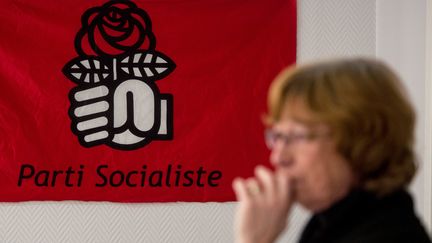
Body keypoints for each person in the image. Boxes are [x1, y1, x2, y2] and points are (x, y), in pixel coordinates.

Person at [232, 58, 432, 243]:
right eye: (278, 137)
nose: (278, 157)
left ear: (362, 142)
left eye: (298, 136)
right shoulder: (329, 223)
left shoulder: (389, 237)